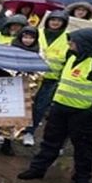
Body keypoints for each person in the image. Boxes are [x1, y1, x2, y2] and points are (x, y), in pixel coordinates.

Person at [18, 29, 92, 183]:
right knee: (50, 141)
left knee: (83, 146)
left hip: (83, 113)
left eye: (73, 42)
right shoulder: (71, 58)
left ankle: (82, 177)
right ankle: (37, 169)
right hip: (60, 108)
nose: (70, 45)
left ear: (84, 44)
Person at [26, 10, 69, 147]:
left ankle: (30, 132)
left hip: (51, 79)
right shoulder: (37, 33)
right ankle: (15, 130)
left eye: (59, 21)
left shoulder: (68, 38)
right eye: (53, 20)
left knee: (40, 107)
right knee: (26, 105)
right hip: (32, 76)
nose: (55, 23)